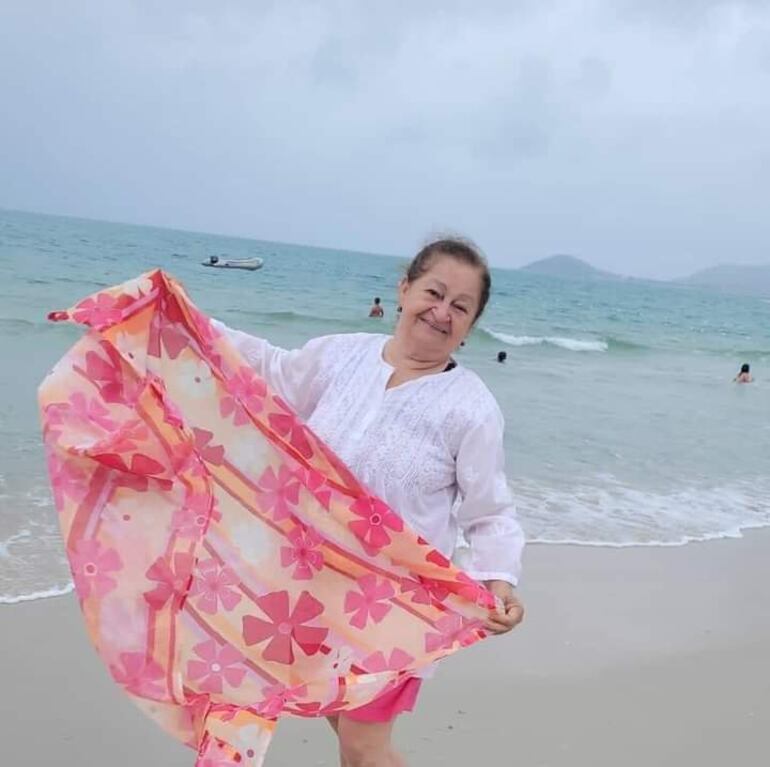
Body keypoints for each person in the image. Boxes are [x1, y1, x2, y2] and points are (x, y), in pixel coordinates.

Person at [212, 237, 525, 767]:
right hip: (313, 582)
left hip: (396, 606)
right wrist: (185, 323)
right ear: (404, 289)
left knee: (361, 748)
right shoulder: (341, 355)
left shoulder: (471, 408)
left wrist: (500, 578)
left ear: (471, 325)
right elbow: (267, 370)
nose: (442, 312)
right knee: (346, 728)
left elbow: (488, 508)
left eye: (461, 306)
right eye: (434, 292)